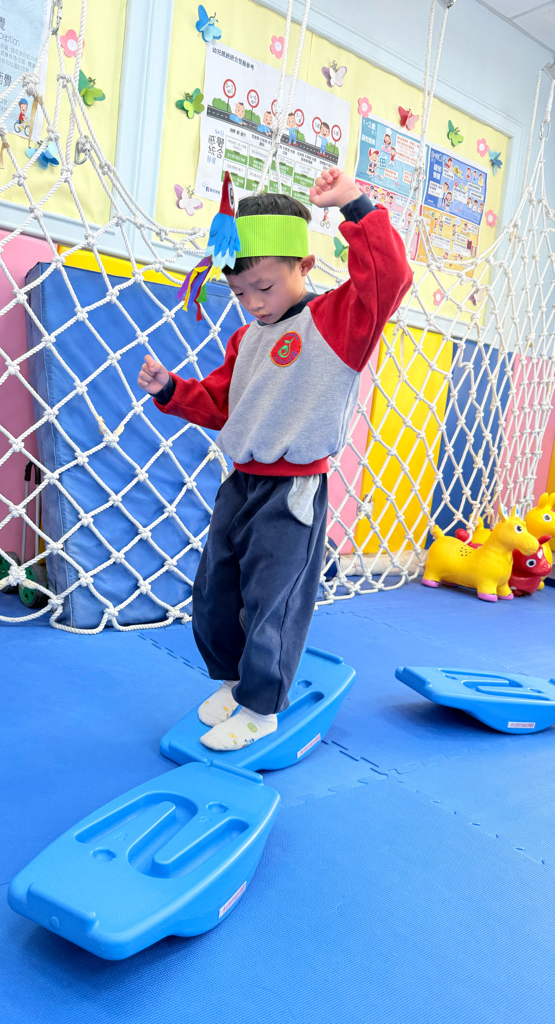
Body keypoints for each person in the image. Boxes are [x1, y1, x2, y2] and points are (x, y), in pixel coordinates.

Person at [137, 168, 412, 750]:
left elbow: (389, 278)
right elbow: (223, 404)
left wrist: (353, 204)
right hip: (239, 484)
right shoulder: (246, 339)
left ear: (304, 266)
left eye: (264, 287)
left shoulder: (336, 322)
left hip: (293, 491)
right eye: (240, 293)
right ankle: (234, 682)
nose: (253, 303)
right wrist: (171, 390)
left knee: (274, 602)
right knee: (215, 593)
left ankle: (261, 708)